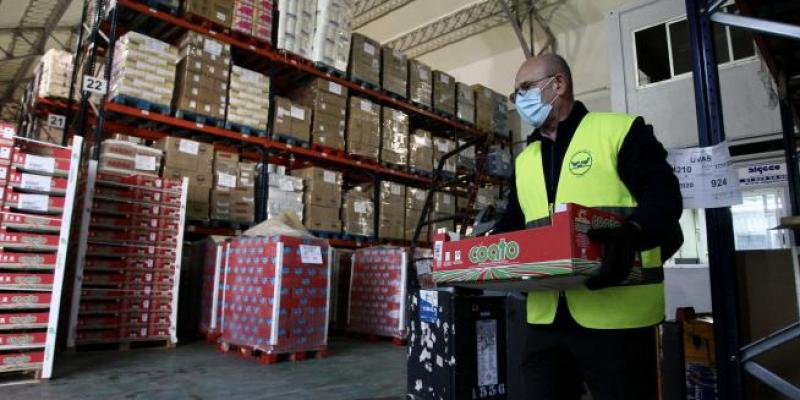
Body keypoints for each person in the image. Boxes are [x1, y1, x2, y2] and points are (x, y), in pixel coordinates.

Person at [493, 54, 684, 399]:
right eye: (515, 94)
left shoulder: (620, 131)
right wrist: (476, 259)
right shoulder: (524, 161)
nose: (519, 100)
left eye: (525, 88)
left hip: (616, 318)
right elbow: (513, 223)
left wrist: (633, 232)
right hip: (546, 316)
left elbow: (664, 198)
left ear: (559, 84)